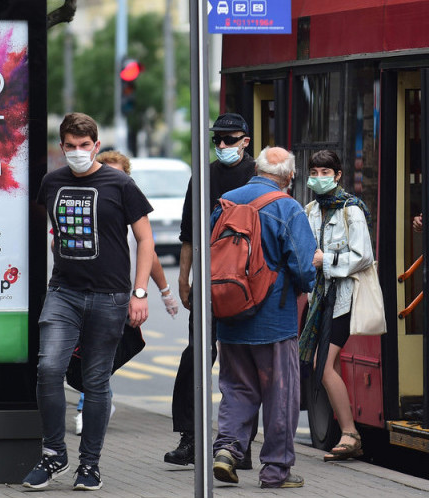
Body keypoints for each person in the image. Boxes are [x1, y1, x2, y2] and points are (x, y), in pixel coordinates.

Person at [25, 113, 155, 491]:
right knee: (49, 369)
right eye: (71, 146)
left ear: (97, 145)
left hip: (110, 296)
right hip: (63, 292)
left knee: (96, 381)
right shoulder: (52, 182)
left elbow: (145, 239)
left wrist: (140, 292)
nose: (78, 152)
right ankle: (54, 455)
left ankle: (90, 465)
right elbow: (54, 232)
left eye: (85, 146)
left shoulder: (120, 184)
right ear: (61, 146)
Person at [210, 147, 318, 489]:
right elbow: (302, 269)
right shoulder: (288, 207)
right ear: (289, 177)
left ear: (255, 169)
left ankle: (227, 449)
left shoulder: (225, 202)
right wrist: (312, 270)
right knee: (279, 395)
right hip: (274, 320)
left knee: (236, 388)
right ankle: (275, 471)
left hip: (229, 315)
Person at [166, 113, 259, 467]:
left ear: (246, 141)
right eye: (216, 140)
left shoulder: (259, 176)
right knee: (196, 357)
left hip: (247, 284)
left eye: (229, 139)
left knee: (243, 363)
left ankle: (241, 445)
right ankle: (189, 438)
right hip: (208, 281)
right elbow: (189, 233)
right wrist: (183, 279)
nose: (222, 146)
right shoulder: (204, 175)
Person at [69, 151, 181, 436]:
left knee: (101, 353)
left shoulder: (132, 215)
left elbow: (151, 253)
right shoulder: (85, 207)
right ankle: (92, 402)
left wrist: (164, 293)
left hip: (120, 296)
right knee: (90, 353)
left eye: (118, 175)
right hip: (84, 292)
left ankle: (89, 404)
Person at [298, 150, 374, 461]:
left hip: (343, 299)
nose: (319, 177)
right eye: (314, 172)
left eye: (325, 172)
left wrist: (325, 260)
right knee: (327, 365)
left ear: (338, 175)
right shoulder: (310, 210)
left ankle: (350, 433)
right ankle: (347, 431)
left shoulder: (351, 211)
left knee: (323, 366)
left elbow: (364, 256)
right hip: (320, 299)